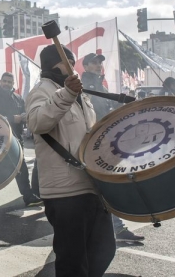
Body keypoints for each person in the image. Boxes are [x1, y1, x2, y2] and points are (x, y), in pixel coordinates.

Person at [26, 44, 115, 276]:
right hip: (64, 191)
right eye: (67, 60)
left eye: (73, 60)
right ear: (53, 64)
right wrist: (66, 93)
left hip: (90, 184)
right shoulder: (42, 90)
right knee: (72, 261)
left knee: (103, 250)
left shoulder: (80, 94)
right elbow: (37, 122)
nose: (72, 65)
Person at [81, 52, 143, 242]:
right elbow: (96, 111)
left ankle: (112, 227)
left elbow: (105, 109)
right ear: (85, 66)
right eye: (93, 63)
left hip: (103, 139)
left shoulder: (99, 83)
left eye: (99, 63)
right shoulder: (85, 85)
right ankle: (113, 228)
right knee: (104, 184)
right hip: (94, 140)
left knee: (104, 185)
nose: (98, 65)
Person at [0, 72, 42, 207]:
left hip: (16, 139)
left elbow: (24, 114)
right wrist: (11, 118)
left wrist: (24, 117)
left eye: (9, 82)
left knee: (21, 168)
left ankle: (28, 196)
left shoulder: (18, 98)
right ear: (0, 81)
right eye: (5, 81)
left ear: (13, 84)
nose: (6, 84)